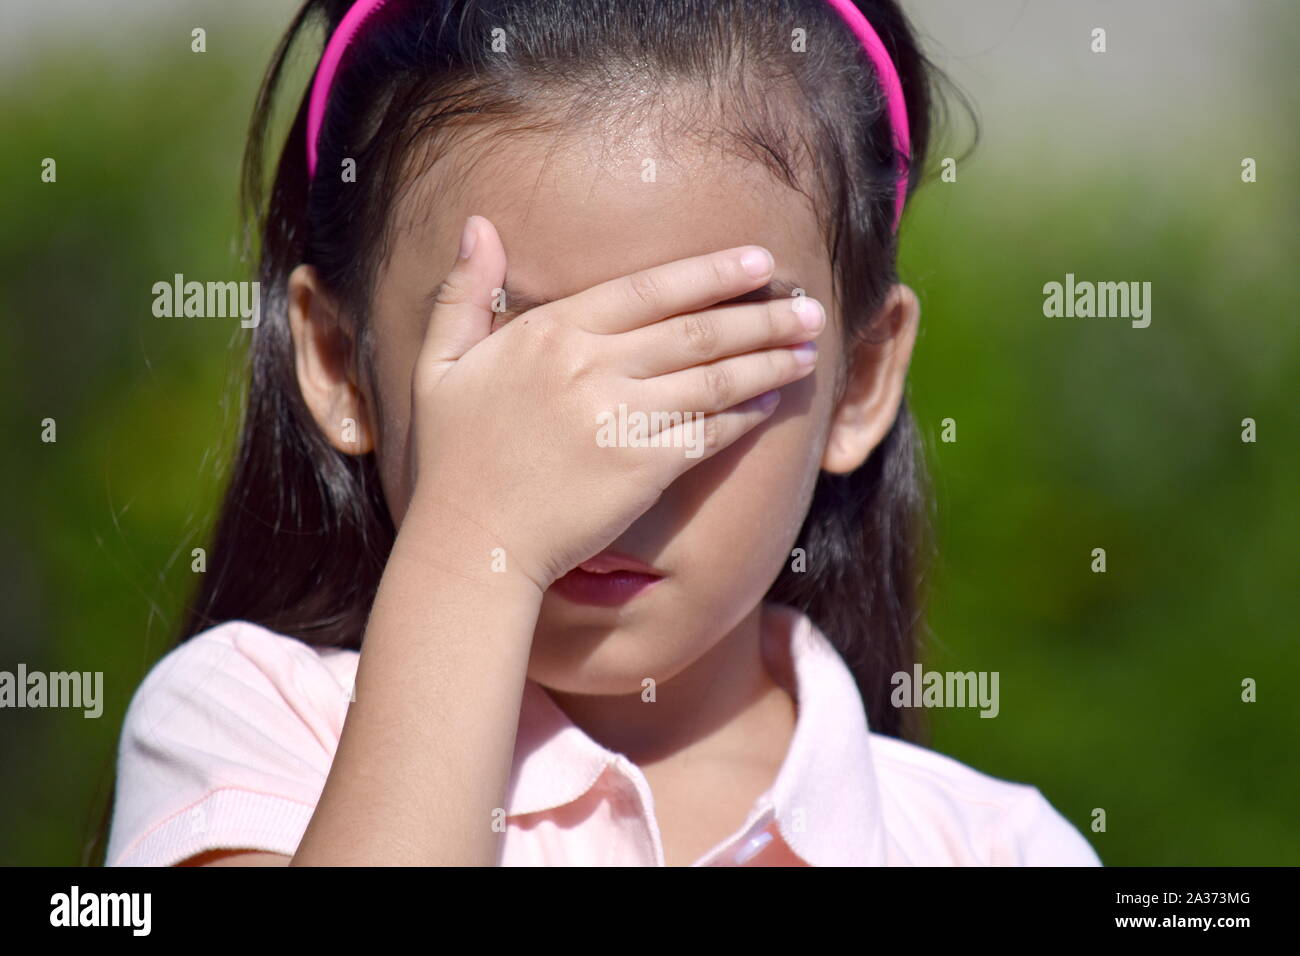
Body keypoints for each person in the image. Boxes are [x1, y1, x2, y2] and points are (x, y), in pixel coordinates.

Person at [104, 0, 1101, 867]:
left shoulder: (993, 844)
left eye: (702, 359)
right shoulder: (253, 734)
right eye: (523, 358)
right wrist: (475, 548)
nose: (614, 457)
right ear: (334, 358)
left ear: (861, 378)